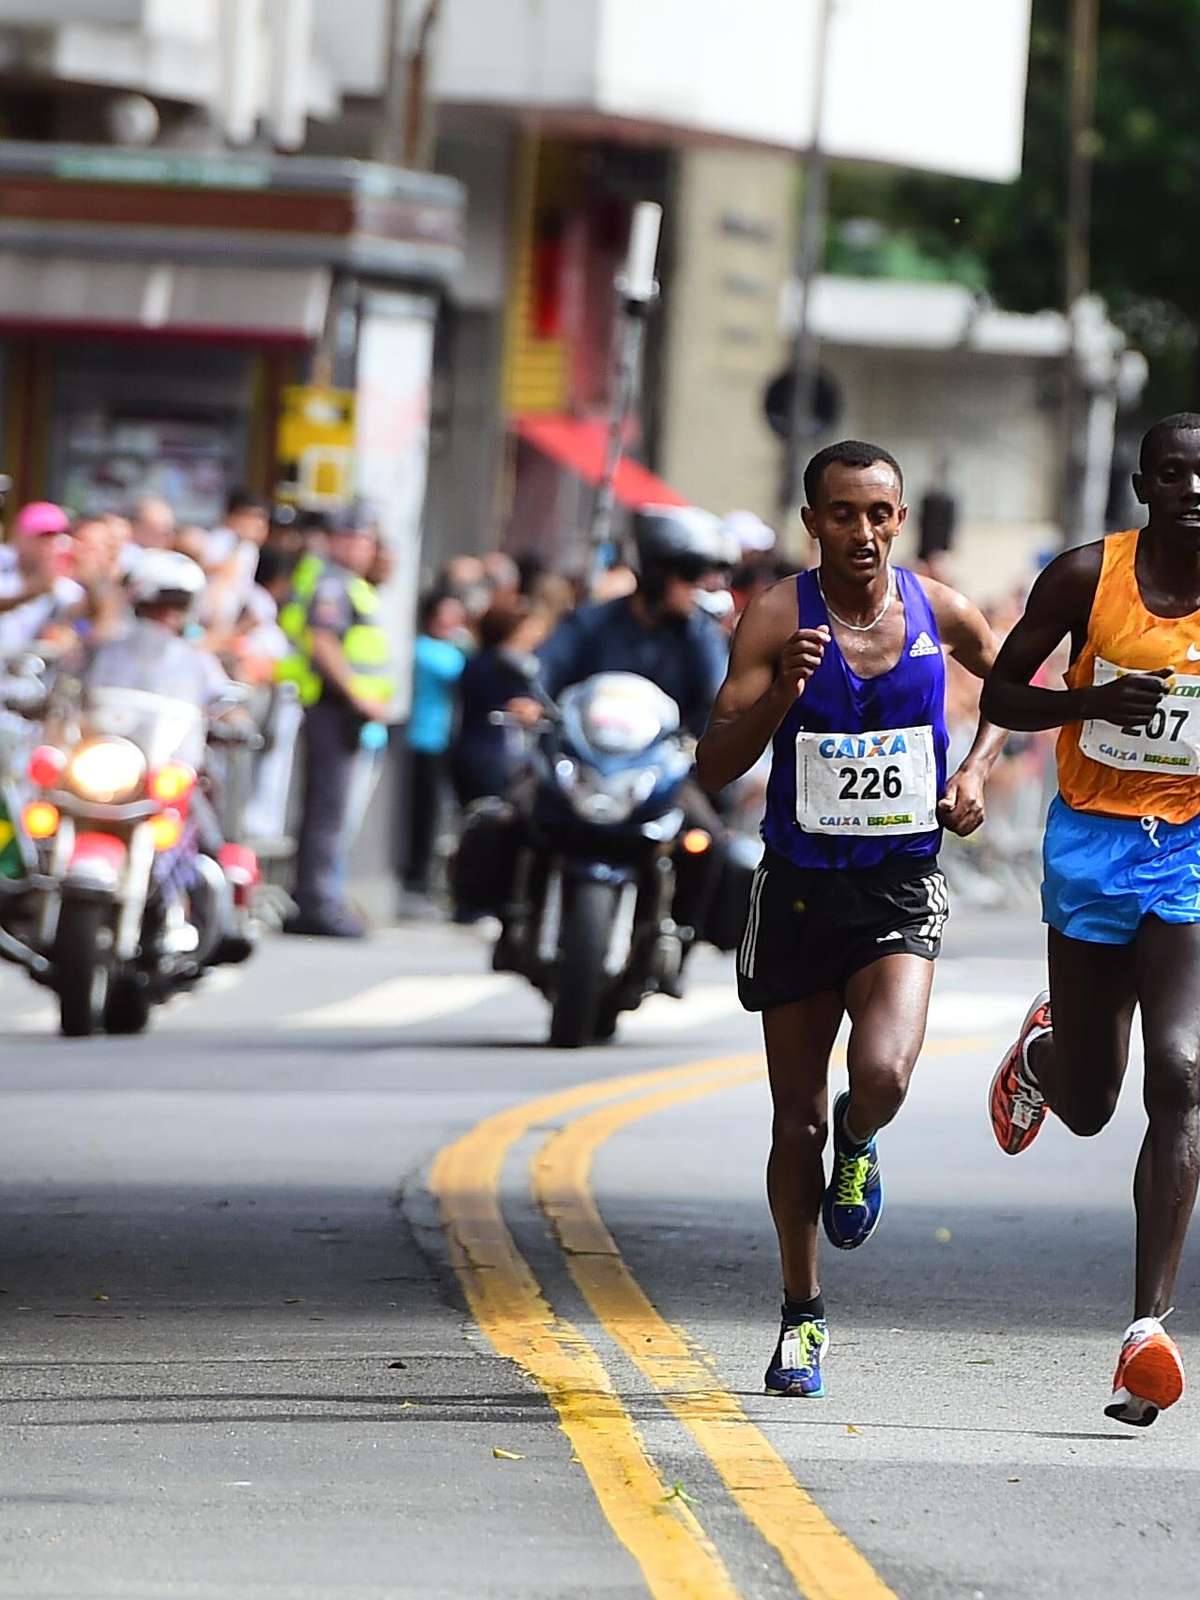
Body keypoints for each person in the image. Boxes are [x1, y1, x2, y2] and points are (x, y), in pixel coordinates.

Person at [695, 439, 1004, 1401]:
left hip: (899, 884)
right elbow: (714, 762)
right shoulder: (775, 616)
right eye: (841, 513)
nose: (861, 531)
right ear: (811, 522)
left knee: (882, 1073)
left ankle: (862, 1146)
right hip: (796, 890)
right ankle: (802, 1315)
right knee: (796, 1124)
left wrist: (976, 771)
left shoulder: (937, 610)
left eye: (878, 513)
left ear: (898, 521)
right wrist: (784, 691)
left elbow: (1013, 681)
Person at [981, 412, 1200, 1428]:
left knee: (1184, 1071)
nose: (1193, 491)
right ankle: (1044, 1057)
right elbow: (1002, 689)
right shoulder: (1085, 576)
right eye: (1173, 474)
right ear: (1143, 484)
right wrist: (1091, 707)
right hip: (1091, 844)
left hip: (1189, 848)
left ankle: (1145, 1334)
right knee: (1090, 1103)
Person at [282, 504, 395, 938]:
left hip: (343, 712)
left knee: (332, 810)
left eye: (364, 539)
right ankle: (317, 902)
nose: (358, 547)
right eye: (351, 537)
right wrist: (358, 695)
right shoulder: (332, 583)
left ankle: (318, 896)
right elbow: (323, 642)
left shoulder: (352, 583)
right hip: (333, 708)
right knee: (327, 812)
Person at [402, 591, 467, 909]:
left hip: (440, 738)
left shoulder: (443, 650)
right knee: (423, 814)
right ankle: (416, 876)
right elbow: (460, 672)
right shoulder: (431, 651)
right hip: (425, 738)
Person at [451, 596, 550, 807]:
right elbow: (524, 709)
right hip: (494, 761)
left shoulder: (478, 662)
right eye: (529, 629)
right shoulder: (507, 667)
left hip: (471, 754)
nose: (536, 637)